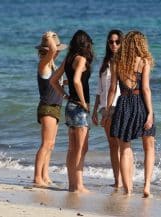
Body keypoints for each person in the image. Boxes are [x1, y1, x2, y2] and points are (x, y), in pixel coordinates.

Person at [103, 30, 156, 197]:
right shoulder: (144, 62)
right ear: (140, 45)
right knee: (149, 146)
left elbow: (112, 89)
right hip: (140, 102)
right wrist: (150, 113)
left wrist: (107, 109)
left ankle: (128, 189)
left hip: (124, 104)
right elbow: (146, 89)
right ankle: (147, 186)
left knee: (124, 147)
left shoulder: (116, 62)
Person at [50, 30, 94, 193]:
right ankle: (79, 186)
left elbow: (54, 80)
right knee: (82, 148)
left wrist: (65, 95)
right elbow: (77, 80)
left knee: (72, 148)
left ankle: (72, 185)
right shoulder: (81, 59)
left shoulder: (69, 59)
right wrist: (83, 102)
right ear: (85, 44)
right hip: (79, 109)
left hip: (69, 107)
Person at [34, 31, 67, 187]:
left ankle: (45, 175)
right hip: (47, 107)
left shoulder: (51, 66)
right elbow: (52, 51)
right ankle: (37, 177)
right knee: (46, 144)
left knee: (51, 144)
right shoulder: (44, 64)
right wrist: (49, 38)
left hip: (55, 107)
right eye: (56, 49)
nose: (58, 52)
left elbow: (54, 83)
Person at [92, 30, 123, 188]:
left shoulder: (122, 61)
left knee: (120, 144)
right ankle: (117, 180)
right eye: (111, 42)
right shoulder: (105, 61)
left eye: (117, 42)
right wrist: (95, 109)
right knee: (112, 145)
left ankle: (123, 180)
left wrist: (108, 110)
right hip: (105, 106)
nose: (114, 45)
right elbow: (100, 89)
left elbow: (114, 88)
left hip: (116, 105)